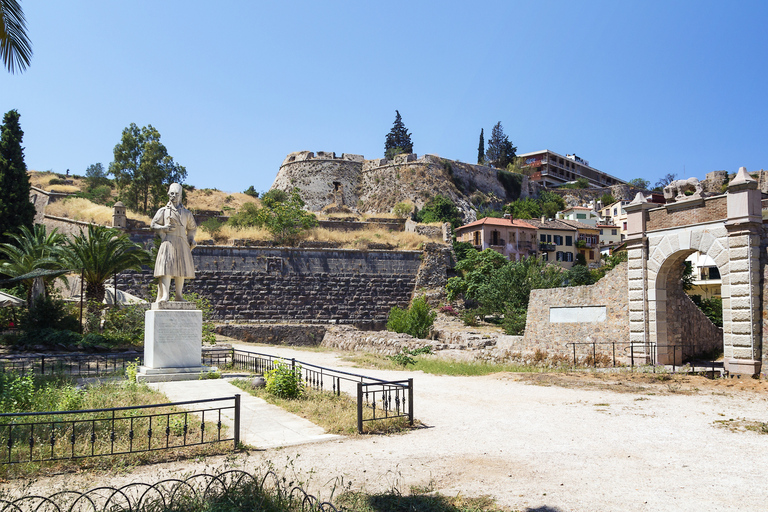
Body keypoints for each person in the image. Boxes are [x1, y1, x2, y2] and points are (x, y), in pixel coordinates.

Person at [151, 183, 197, 302]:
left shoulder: (187, 213)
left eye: (177, 194)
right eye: (172, 193)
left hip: (182, 242)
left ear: (181, 196)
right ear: (168, 194)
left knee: (180, 269)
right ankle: (165, 295)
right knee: (166, 268)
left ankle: (178, 295)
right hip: (168, 241)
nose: (174, 196)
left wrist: (191, 238)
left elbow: (192, 228)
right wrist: (164, 227)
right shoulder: (163, 211)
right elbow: (153, 224)